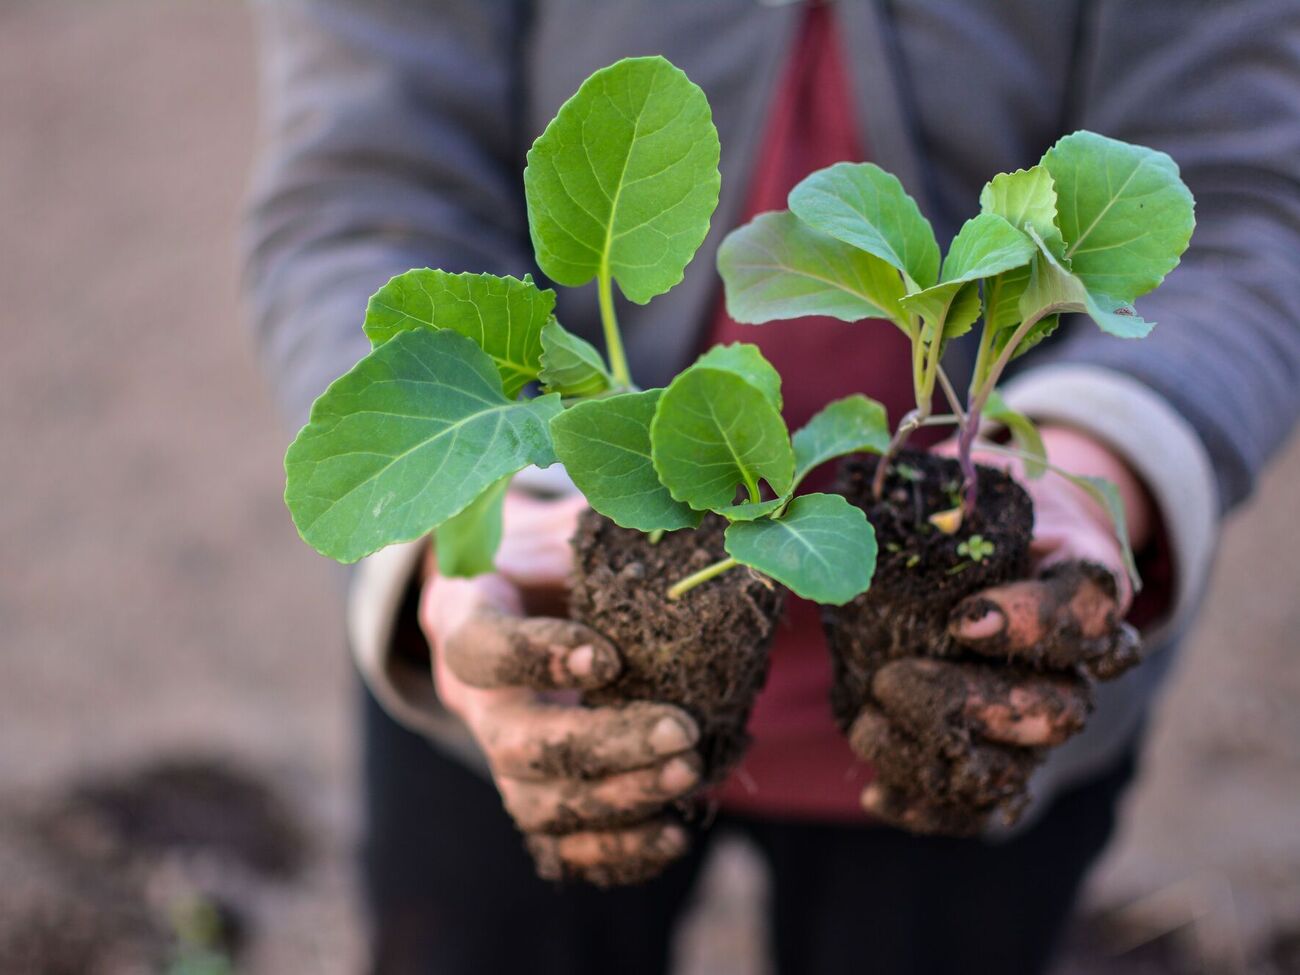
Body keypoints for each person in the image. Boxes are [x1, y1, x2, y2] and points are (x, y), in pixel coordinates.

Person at [242, 1, 1300, 972]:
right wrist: (457, 528)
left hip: (978, 678)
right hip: (540, 637)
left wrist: (1098, 453)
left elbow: (1247, 207)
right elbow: (364, 191)